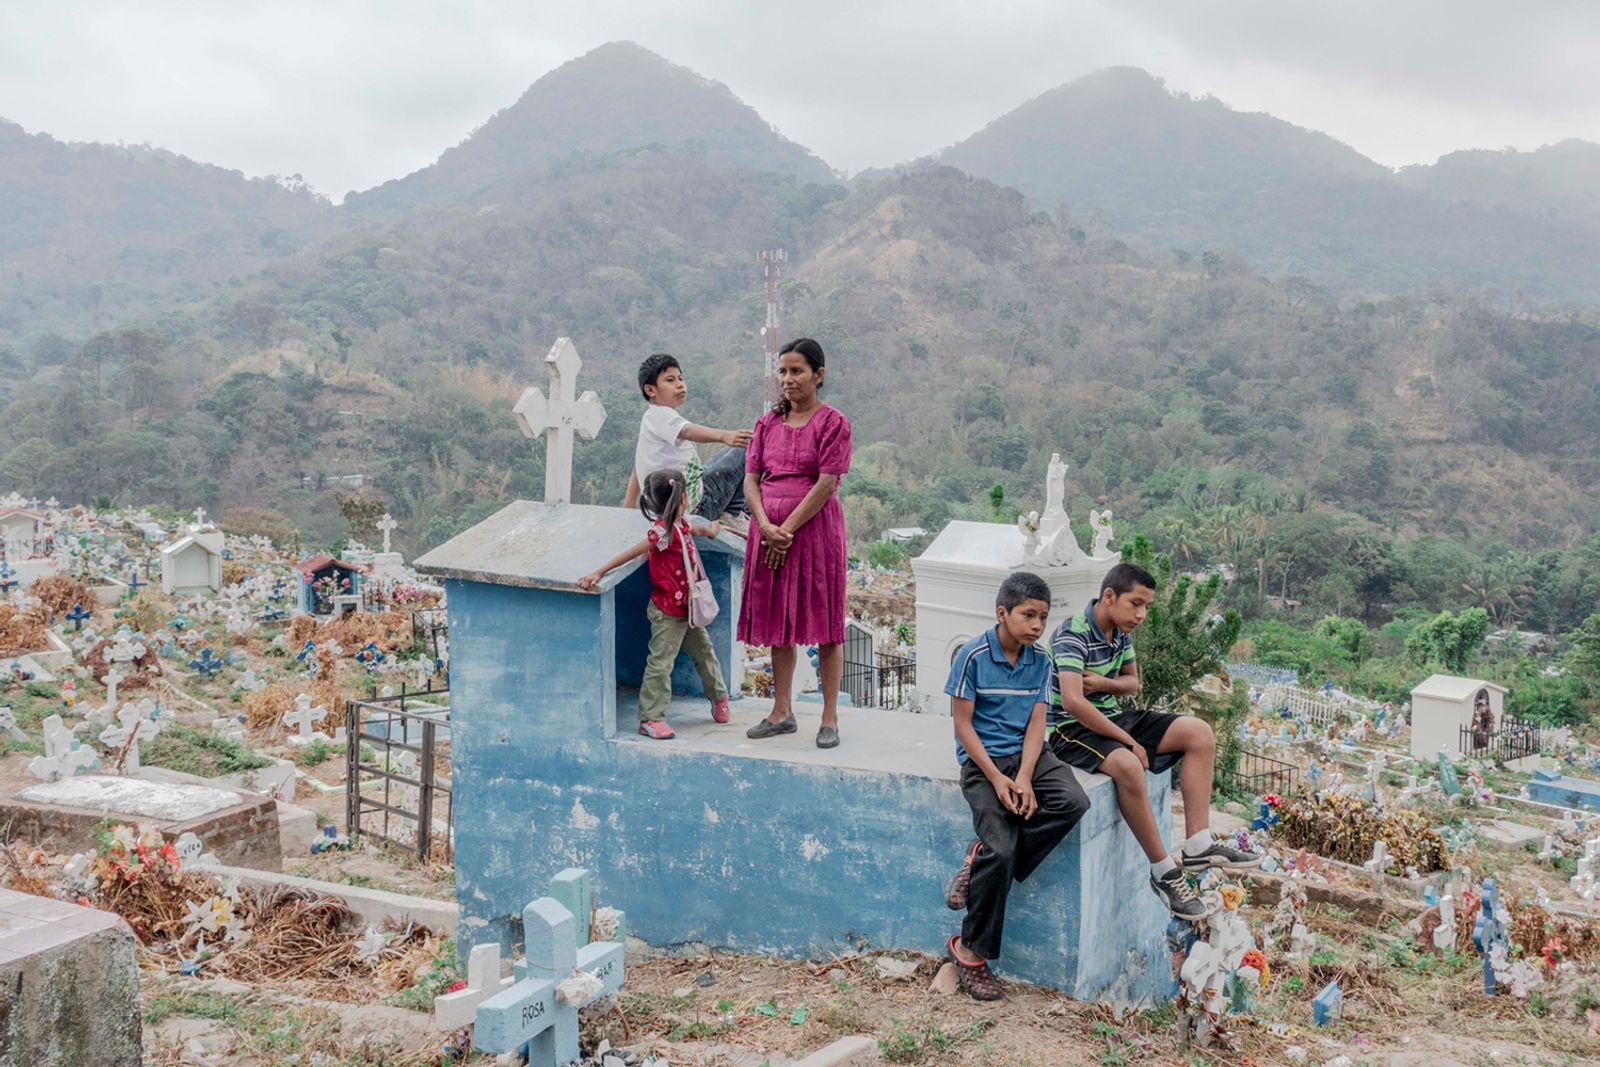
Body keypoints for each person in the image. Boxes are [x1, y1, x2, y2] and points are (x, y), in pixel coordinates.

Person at [1046, 562, 1261, 920]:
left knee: (1200, 733)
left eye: (1147, 607)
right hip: (1071, 729)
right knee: (1129, 766)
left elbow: (1133, 683)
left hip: (1112, 717)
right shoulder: (1074, 633)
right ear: (1110, 595)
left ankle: (1197, 844)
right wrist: (1127, 740)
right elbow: (1073, 702)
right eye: (1136, 603)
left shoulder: (1120, 634)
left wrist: (1103, 684)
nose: (1142, 614)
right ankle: (1163, 871)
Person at [940, 571, 1090, 1001]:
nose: (1038, 626)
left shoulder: (1041, 661)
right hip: (982, 762)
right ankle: (970, 951)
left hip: (1028, 757)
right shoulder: (971, 656)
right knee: (1001, 849)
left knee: (1072, 801)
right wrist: (998, 779)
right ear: (1002, 613)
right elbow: (963, 726)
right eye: (1028, 615)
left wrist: (1024, 776)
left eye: (1043, 617)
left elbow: (1037, 722)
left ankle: (980, 862)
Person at [739, 338, 851, 749]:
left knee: (827, 624)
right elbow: (751, 480)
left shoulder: (833, 423)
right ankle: (781, 711)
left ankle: (829, 717)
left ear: (818, 375)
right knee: (777, 623)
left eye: (797, 371)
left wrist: (786, 527)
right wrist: (766, 525)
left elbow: (826, 483)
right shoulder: (765, 425)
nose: (788, 379)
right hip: (769, 533)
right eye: (782, 372)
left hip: (814, 534)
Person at [579, 469, 731, 740]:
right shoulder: (661, 533)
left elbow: (696, 528)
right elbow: (632, 552)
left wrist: (711, 530)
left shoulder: (682, 524)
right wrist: (599, 571)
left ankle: (719, 697)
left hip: (690, 609)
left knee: (705, 655)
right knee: (661, 663)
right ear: (682, 496)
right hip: (667, 613)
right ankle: (651, 717)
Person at [625, 353, 753, 531]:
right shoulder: (660, 414)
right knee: (746, 448)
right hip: (697, 505)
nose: (679, 384)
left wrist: (627, 508)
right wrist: (724, 435)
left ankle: (729, 511)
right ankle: (732, 514)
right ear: (651, 390)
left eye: (680, 378)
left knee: (723, 458)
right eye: (670, 380)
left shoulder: (650, 420)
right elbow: (687, 430)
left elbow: (637, 466)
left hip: (679, 502)